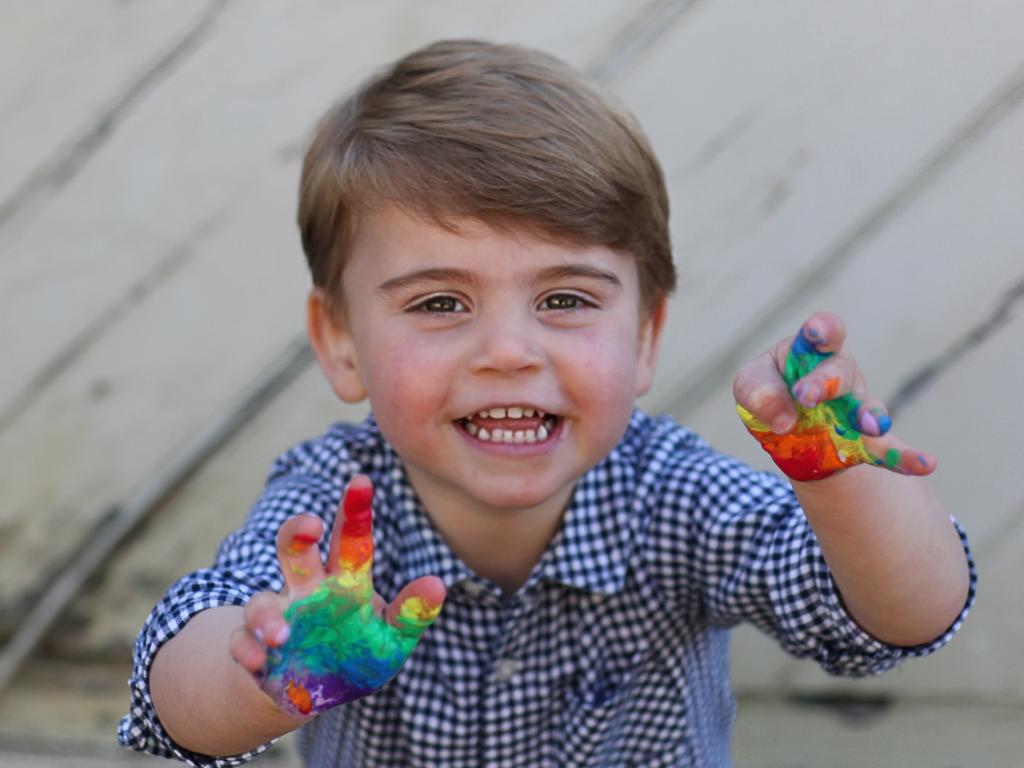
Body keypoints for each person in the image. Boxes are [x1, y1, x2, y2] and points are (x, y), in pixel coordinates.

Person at [119, 39, 974, 767]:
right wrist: (270, 680)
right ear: (340, 340)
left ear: (644, 335)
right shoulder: (336, 508)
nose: (508, 352)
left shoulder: (672, 495)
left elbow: (896, 620)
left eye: (565, 299)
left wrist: (840, 479)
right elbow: (174, 684)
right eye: (439, 304)